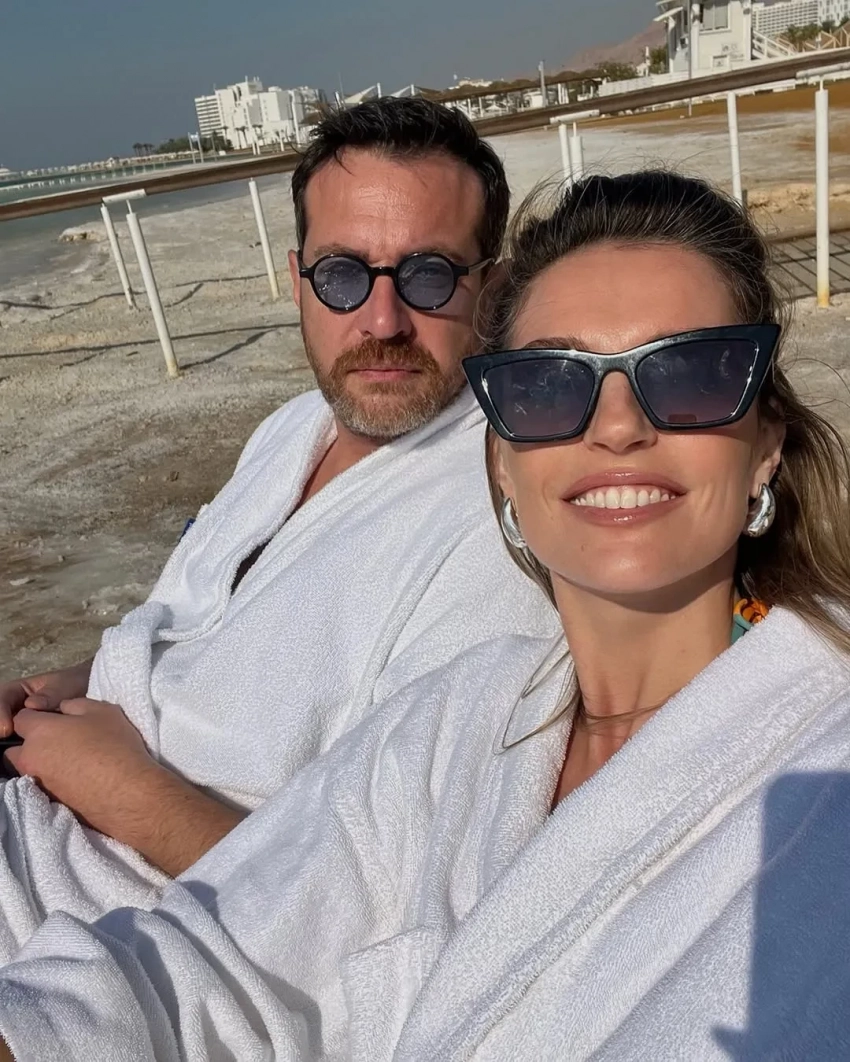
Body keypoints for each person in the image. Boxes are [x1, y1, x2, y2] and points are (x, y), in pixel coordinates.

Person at [2, 170, 849, 1062]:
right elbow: (204, 959)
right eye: (547, 383)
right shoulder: (459, 719)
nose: (617, 426)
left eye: (690, 373)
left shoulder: (822, 774)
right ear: (503, 462)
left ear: (766, 443)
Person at [0, 98, 557, 959]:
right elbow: (205, 622)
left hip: (98, 935)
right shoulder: (296, 428)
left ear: (490, 287)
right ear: (297, 278)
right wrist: (61, 683)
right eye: (342, 275)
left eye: (430, 275)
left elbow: (374, 922)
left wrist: (123, 791)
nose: (382, 321)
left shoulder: (501, 516)